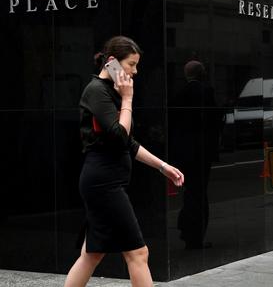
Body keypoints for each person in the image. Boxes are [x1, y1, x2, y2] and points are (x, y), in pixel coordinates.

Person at [65, 36, 185, 287]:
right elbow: (121, 138)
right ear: (112, 62)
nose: (135, 71)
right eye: (131, 64)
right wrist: (128, 100)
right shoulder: (97, 91)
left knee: (92, 254)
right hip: (103, 183)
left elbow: (129, 144)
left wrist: (162, 166)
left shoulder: (110, 91)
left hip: (105, 181)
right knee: (138, 253)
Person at [170, 60, 221, 250]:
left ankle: (187, 230)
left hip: (184, 152)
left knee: (191, 191)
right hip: (201, 151)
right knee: (199, 193)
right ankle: (194, 235)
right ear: (202, 73)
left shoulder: (179, 93)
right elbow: (212, 121)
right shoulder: (206, 92)